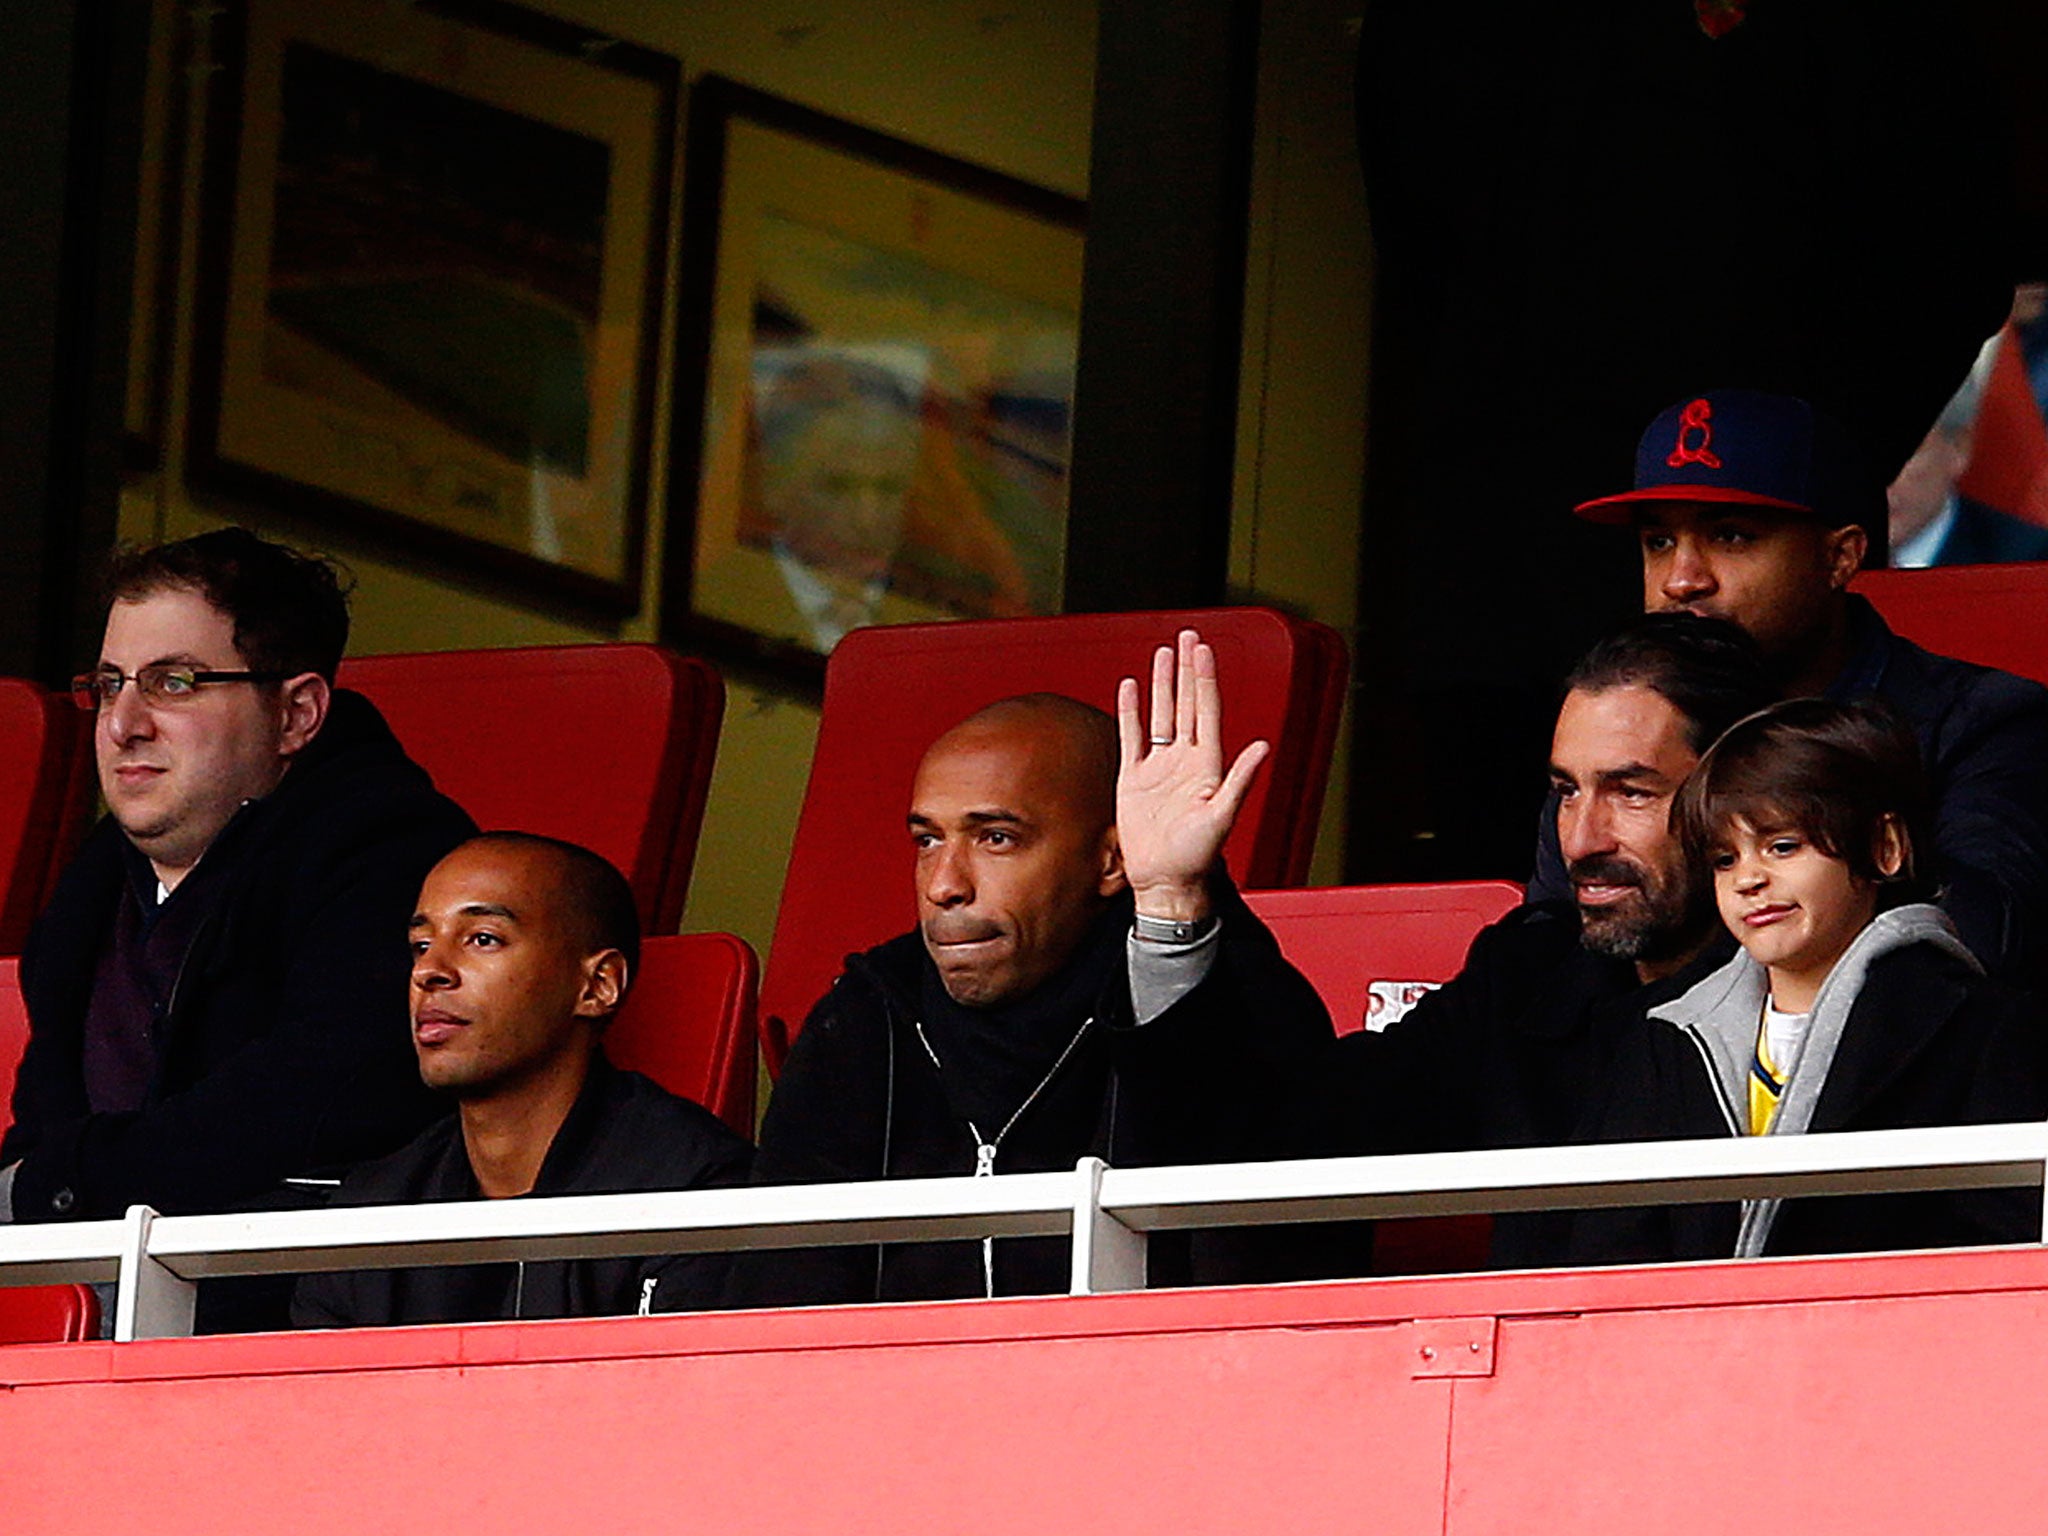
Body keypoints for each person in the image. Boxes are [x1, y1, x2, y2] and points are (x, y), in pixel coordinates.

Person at [728, 629, 1332, 1306]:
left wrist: (1168, 905)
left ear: (1112, 860)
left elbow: (1264, 1269)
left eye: (996, 838)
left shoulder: (1241, 1000)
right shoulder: (869, 1014)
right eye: (928, 840)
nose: (943, 884)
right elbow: (776, 1301)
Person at [0, 528, 475, 1235]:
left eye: (174, 682)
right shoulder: (88, 891)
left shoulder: (396, 855)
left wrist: (58, 1184)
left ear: (296, 715)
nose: (123, 724)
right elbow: (42, 1139)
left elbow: (310, 1103)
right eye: (108, 685)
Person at [1537, 388, 2048, 982]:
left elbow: (1979, 947)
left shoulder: (1983, 722)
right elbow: (1547, 961)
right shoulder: (1619, 729)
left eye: (1730, 536)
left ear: (1840, 557)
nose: (1681, 580)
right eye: (1659, 542)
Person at [1315, 615, 1771, 1265]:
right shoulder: (1529, 975)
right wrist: (1184, 906)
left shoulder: (1823, 995)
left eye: (1632, 792)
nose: (1583, 840)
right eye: (1566, 792)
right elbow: (1318, 1119)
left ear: (1743, 796)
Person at [1553, 698, 2047, 1262]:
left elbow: (2002, 1255)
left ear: (1885, 848)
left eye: (1782, 847)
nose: (1749, 879)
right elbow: (1611, 1252)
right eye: (1723, 859)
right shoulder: (1665, 1032)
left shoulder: (1983, 1026)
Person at [293, 835, 752, 1328]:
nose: (430, 971)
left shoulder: (693, 1189)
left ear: (597, 986)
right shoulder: (369, 1212)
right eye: (420, 945)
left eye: (483, 938)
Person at [1888, 345, 2048, 568]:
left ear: (1959, 447)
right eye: (1857, 454)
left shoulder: (2029, 561)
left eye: (1904, 452)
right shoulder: (1826, 559)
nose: (1879, 477)